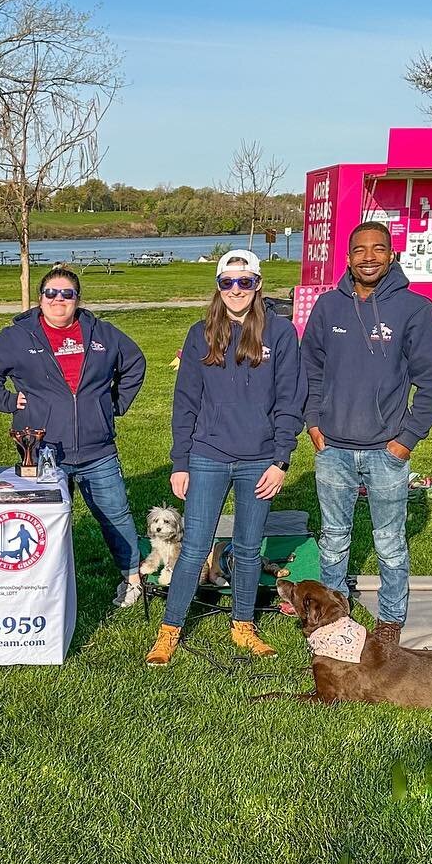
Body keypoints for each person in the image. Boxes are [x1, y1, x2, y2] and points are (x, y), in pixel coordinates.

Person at [144, 250, 304, 665]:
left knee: (249, 549)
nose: (236, 290)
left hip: (260, 460)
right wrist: (180, 461)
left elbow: (291, 400)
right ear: (218, 287)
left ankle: (243, 625)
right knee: (194, 546)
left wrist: (280, 459)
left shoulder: (281, 334)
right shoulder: (201, 333)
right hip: (207, 456)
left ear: (258, 285)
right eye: (228, 282)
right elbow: (186, 403)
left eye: (245, 282)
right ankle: (170, 629)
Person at [0, 266, 148, 608]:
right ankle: (38, 586)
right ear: (41, 298)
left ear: (78, 299)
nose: (59, 300)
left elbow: (135, 363)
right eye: (51, 293)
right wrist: (8, 401)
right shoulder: (20, 336)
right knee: (40, 521)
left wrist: (113, 404)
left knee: (116, 515)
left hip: (98, 450)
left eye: (67, 294)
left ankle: (132, 578)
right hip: (43, 452)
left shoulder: (102, 335)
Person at [301, 221, 432, 645]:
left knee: (389, 542)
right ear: (347, 257)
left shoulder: (415, 309)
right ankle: (331, 614)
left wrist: (407, 438)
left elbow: (430, 381)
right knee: (333, 539)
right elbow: (310, 370)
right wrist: (312, 421)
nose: (368, 257)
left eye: (378, 249)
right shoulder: (328, 307)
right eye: (360, 250)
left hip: (386, 449)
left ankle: (390, 620)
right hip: (333, 447)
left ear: (391, 254)